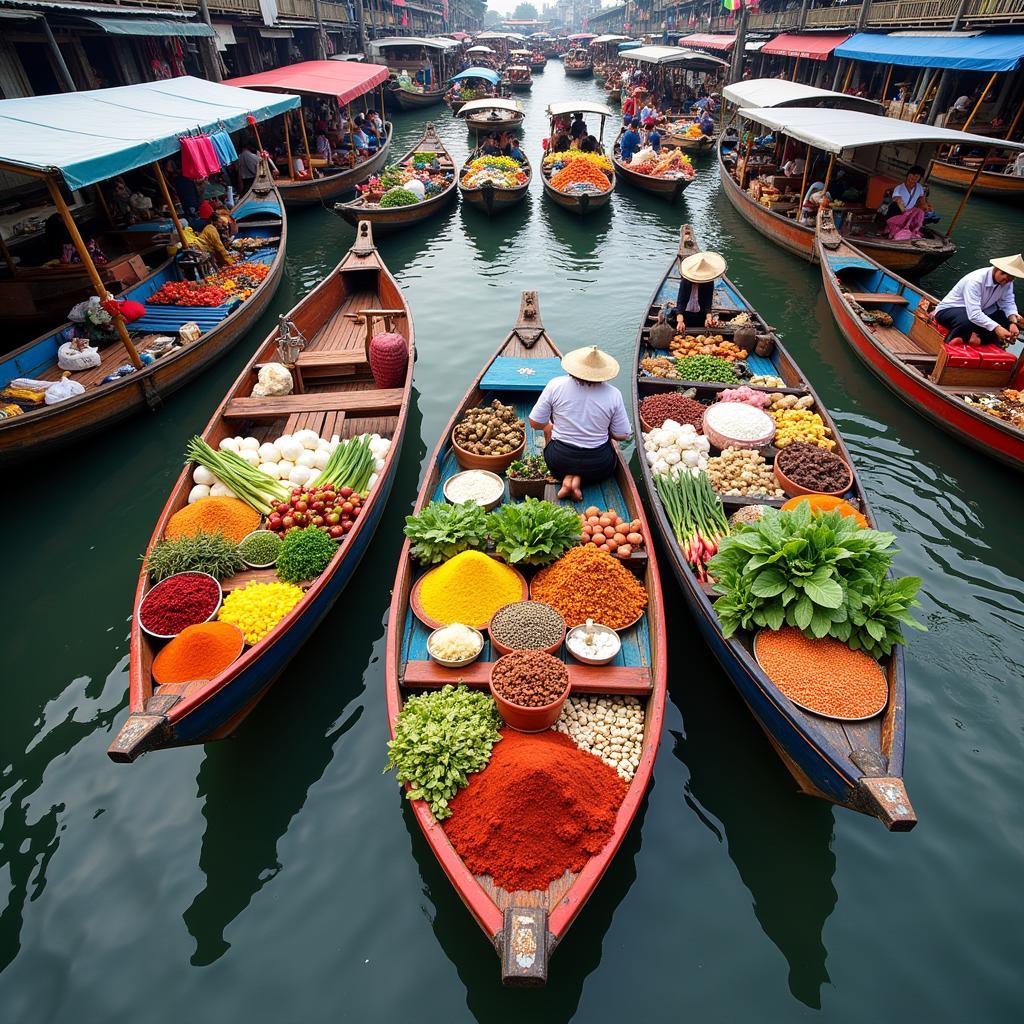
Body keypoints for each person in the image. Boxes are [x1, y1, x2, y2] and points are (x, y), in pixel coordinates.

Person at [528, 346, 631, 501]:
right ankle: (575, 481)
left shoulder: (555, 385)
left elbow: (535, 423)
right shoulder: (613, 394)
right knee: (600, 444)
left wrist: (549, 427)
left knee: (549, 427)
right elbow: (622, 435)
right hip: (599, 467)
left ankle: (568, 479)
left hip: (557, 462)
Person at [934, 255, 1023, 346]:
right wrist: (997, 328)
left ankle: (977, 339)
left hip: (980, 311)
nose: (1006, 279)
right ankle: (953, 342)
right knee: (967, 320)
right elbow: (974, 314)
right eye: (1003, 274)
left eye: (1011, 277)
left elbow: (1008, 303)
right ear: (996, 269)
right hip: (949, 310)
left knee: (1002, 318)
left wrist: (1012, 322)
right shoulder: (975, 280)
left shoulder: (1007, 283)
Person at [667, 251, 725, 330]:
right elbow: (681, 303)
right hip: (685, 313)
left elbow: (708, 303)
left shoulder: (709, 282)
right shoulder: (685, 282)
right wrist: (680, 321)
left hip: (700, 313)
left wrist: (708, 317)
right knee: (674, 315)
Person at [882, 164, 931, 240]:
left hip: (908, 215)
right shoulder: (899, 188)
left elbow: (922, 201)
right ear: (908, 175)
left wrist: (926, 208)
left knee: (919, 212)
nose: (913, 178)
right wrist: (905, 213)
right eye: (912, 175)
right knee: (895, 206)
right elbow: (898, 200)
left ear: (919, 178)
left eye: (916, 176)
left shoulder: (919, 188)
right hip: (897, 212)